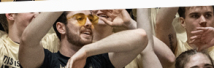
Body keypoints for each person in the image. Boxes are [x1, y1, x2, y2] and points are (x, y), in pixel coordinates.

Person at [18, 12, 147, 68]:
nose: (88, 23)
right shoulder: (48, 62)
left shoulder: (100, 61)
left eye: (91, 19)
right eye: (80, 18)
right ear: (61, 28)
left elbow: (141, 37)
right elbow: (28, 40)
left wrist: (87, 50)